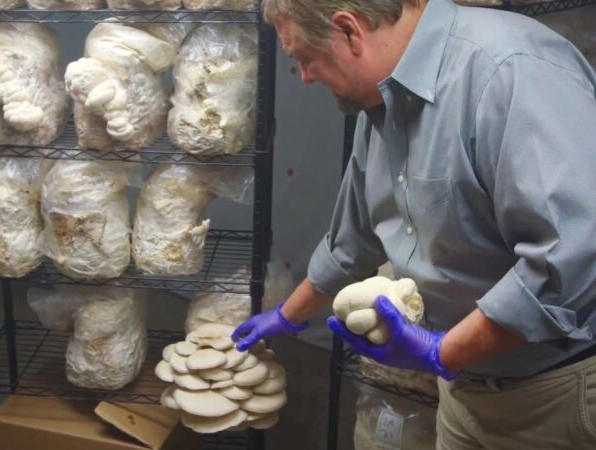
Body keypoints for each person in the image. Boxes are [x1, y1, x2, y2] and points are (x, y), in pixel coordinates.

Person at [231, 0, 596, 448]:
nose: (305, 76)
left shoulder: (508, 71)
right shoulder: (383, 101)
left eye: (305, 57)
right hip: (465, 390)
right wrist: (287, 317)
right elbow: (353, 239)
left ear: (348, 30)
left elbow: (573, 255)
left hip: (558, 396)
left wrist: (442, 351)